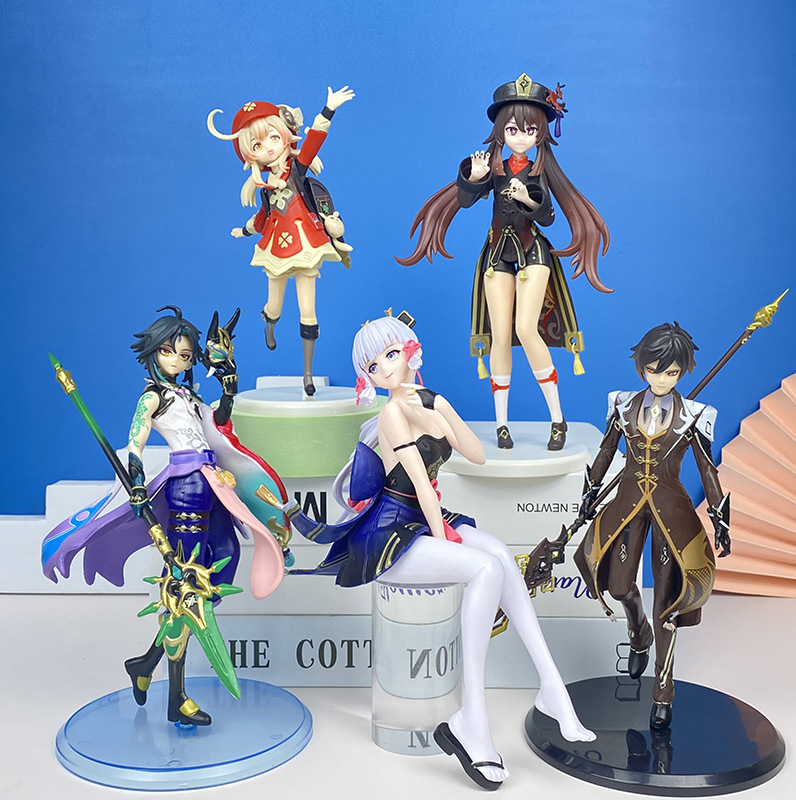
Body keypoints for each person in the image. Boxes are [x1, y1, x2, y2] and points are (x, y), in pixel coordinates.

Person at [283, 314, 594, 790]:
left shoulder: (428, 401)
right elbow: (421, 486)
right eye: (373, 365)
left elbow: (476, 455)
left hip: (423, 521)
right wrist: (443, 537)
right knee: (485, 569)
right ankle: (473, 718)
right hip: (391, 531)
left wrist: (443, 407)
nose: (385, 368)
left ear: (410, 350)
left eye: (391, 354)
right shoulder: (391, 415)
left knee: (501, 557)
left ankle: (552, 689)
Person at [42, 306, 289, 726]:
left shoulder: (190, 397)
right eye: (170, 351)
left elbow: (218, 425)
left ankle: (146, 662)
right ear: (155, 351)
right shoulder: (152, 397)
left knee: (223, 559)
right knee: (186, 583)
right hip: (187, 487)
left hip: (214, 484)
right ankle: (176, 697)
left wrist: (229, 388)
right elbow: (135, 444)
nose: (178, 360)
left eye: (186, 355)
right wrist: (137, 483)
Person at [397, 74, 610, 451]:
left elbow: (548, 217)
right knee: (499, 335)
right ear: (500, 131)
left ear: (540, 133)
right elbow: (465, 200)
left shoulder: (540, 169)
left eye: (530, 130)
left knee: (526, 328)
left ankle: (557, 419)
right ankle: (502, 424)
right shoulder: (493, 166)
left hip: (533, 252)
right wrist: (474, 177)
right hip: (498, 253)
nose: (521, 136)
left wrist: (528, 200)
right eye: (513, 129)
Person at [573, 322, 731, 729]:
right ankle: (637, 630)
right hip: (627, 505)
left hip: (670, 513)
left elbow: (707, 470)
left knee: (667, 604)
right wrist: (590, 492)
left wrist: (720, 518)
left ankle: (664, 690)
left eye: (671, 372)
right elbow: (606, 451)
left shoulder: (695, 415)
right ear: (642, 368)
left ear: (683, 372)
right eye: (654, 370)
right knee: (618, 586)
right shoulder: (622, 405)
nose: (662, 379)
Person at [208, 86, 355, 395]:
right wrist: (244, 231)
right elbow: (262, 219)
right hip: (275, 249)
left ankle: (307, 374)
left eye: (273, 137)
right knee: (274, 305)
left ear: (286, 136)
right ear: (250, 154)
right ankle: (270, 326)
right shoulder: (265, 189)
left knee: (308, 310)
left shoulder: (297, 170)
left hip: (306, 245)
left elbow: (315, 140)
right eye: (257, 144)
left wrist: (328, 109)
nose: (268, 148)